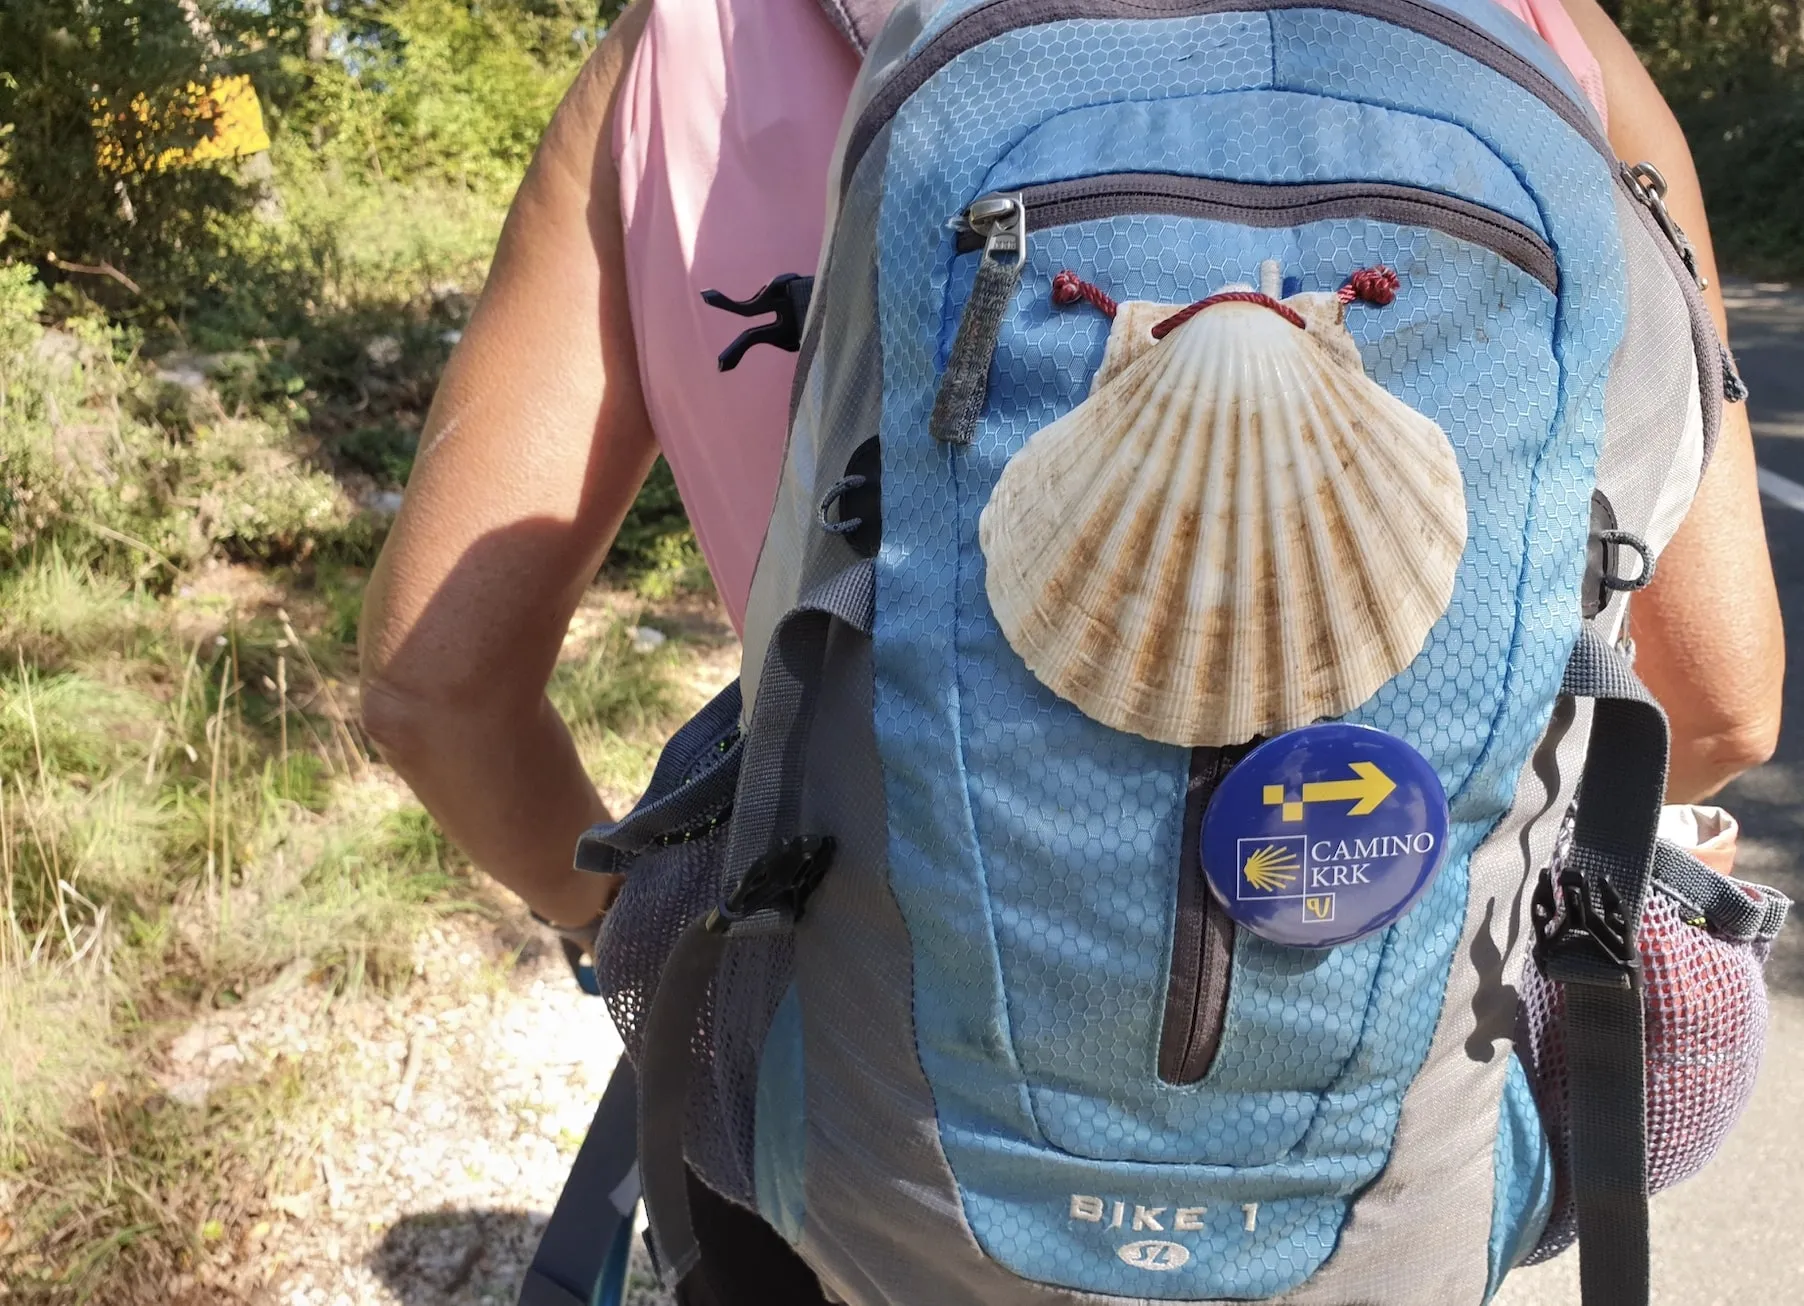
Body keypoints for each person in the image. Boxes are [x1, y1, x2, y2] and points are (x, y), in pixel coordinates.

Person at [357, 1, 1785, 1301]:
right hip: (1383, 1174)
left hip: (858, 1147)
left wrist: (632, 930)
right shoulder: (1552, 48)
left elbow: (437, 691)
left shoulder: (681, 59)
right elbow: (1720, 705)